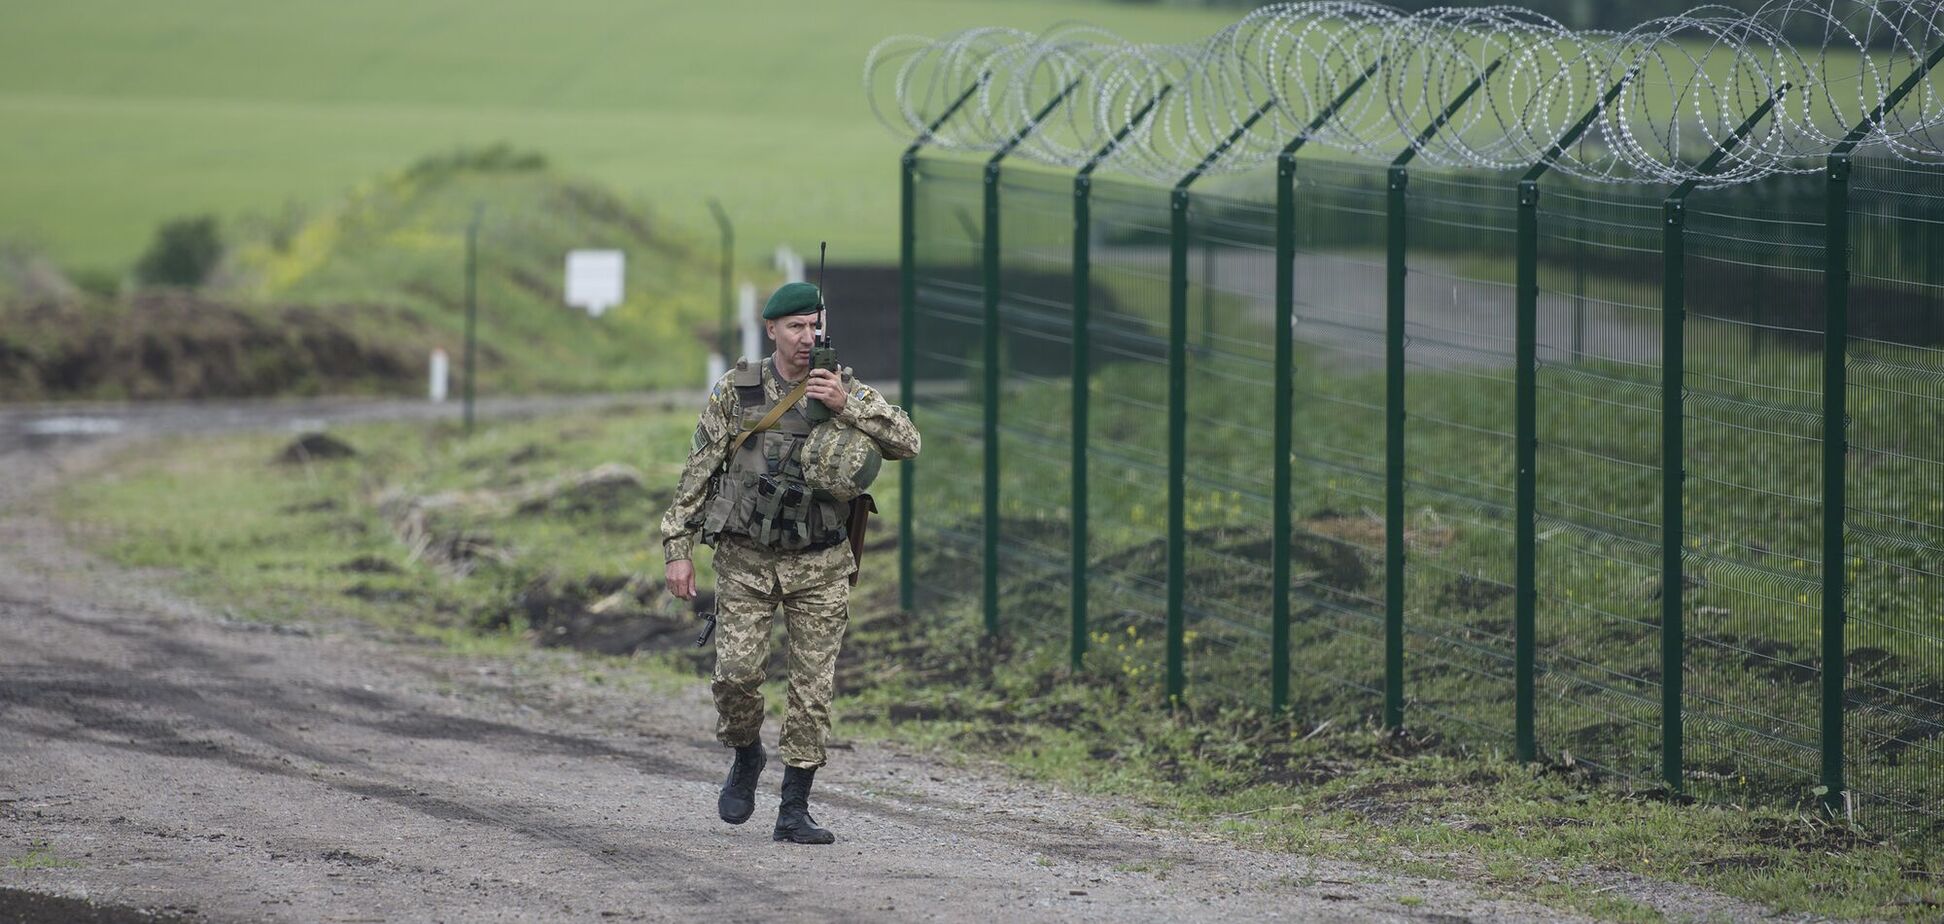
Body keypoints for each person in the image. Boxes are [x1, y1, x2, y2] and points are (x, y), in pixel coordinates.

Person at [659, 280, 920, 845]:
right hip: (746, 559)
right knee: (735, 677)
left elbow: (908, 442)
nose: (808, 337)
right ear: (772, 330)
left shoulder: (842, 386)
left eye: (815, 325)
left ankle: (794, 807)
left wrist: (845, 407)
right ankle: (746, 755)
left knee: (811, 689)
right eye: (796, 326)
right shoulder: (739, 389)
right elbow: (698, 470)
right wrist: (677, 549)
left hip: (821, 561)